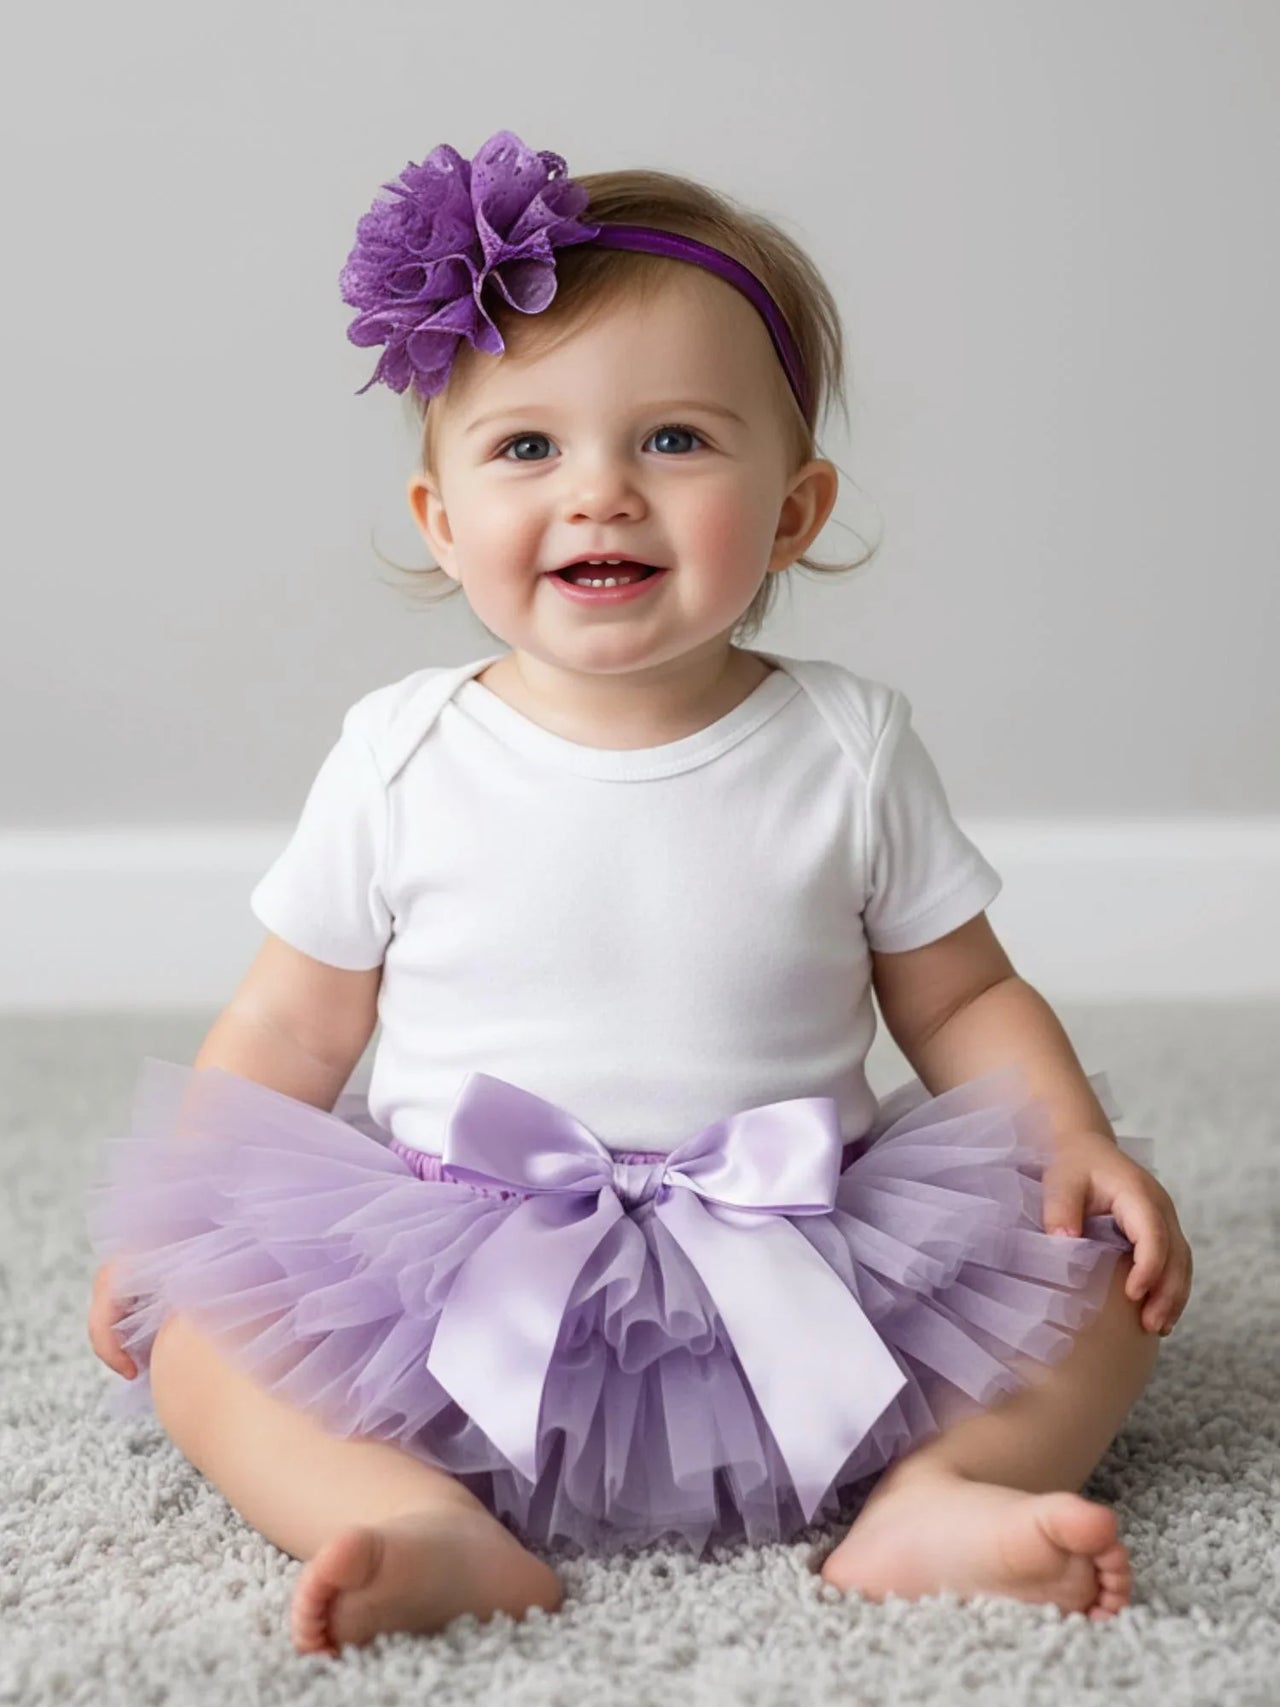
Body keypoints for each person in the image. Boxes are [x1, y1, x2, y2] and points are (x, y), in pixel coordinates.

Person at [85, 129, 1193, 1659]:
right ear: (440, 518)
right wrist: (184, 1215)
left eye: (673, 441)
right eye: (527, 448)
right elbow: (291, 1020)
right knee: (204, 1336)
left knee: (1098, 1285)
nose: (601, 493)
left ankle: (943, 1494)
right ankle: (418, 1517)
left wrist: (1065, 1135)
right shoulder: (402, 752)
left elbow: (963, 993)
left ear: (796, 510)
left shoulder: (846, 745)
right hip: (454, 1270)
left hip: (805, 1248)